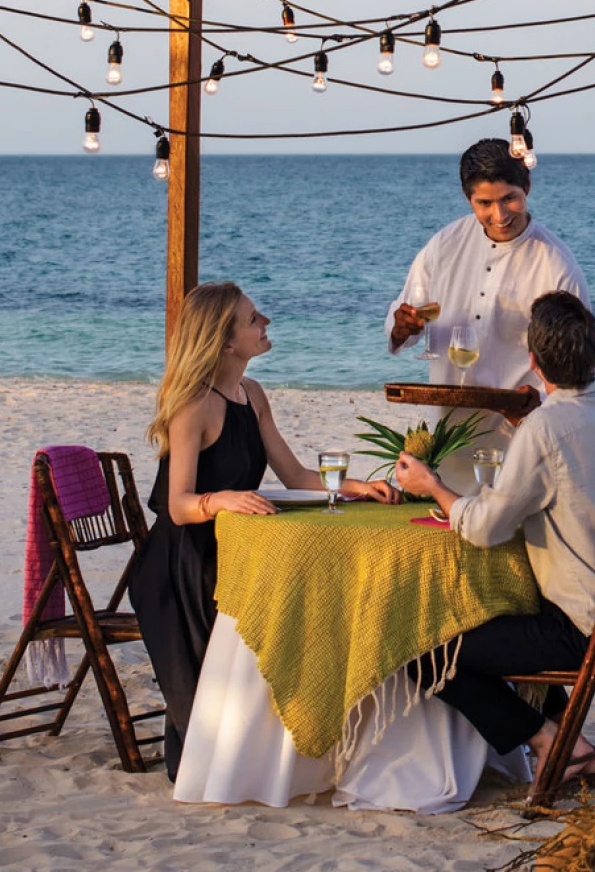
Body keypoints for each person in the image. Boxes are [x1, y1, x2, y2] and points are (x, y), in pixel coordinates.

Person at [130, 281, 396, 776]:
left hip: (238, 547)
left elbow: (294, 477)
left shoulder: (252, 395)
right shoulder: (193, 403)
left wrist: (356, 486)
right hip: (183, 562)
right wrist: (221, 499)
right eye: (254, 318)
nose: (265, 323)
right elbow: (179, 506)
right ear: (226, 341)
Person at [394, 291, 595, 781]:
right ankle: (561, 731)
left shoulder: (546, 429)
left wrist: (433, 486)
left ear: (532, 362)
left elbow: (486, 529)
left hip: (592, 633)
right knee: (511, 609)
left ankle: (551, 740)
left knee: (421, 647)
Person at [386, 138, 590, 430]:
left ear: (527, 187)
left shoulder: (557, 266)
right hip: (448, 433)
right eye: (485, 203)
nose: (500, 215)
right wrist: (401, 328)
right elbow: (403, 322)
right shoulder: (444, 245)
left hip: (520, 435)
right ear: (467, 197)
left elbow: (576, 377)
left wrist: (542, 402)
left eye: (509, 198)